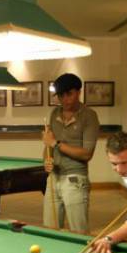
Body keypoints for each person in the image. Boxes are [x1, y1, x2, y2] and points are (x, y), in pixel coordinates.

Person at [42, 73, 100, 234]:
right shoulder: (54, 113)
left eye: (69, 94)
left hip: (75, 180)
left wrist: (56, 144)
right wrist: (46, 160)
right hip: (53, 178)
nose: (65, 99)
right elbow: (48, 145)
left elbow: (87, 154)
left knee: (78, 233)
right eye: (61, 95)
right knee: (49, 232)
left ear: (79, 92)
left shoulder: (89, 116)